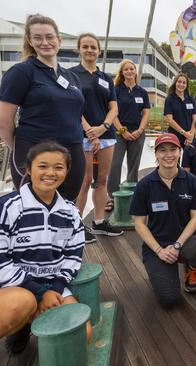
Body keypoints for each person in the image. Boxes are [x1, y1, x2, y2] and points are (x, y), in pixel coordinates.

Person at [0, 142, 91, 365]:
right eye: (43, 166)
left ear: (67, 171)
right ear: (29, 169)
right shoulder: (5, 207)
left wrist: (54, 288)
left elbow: (72, 258)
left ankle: (22, 325)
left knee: (80, 334)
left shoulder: (70, 212)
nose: (50, 173)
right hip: (1, 289)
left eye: (58, 167)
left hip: (51, 288)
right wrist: (40, 292)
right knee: (22, 302)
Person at [0, 14, 85, 202]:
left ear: (58, 39)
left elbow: (76, 114)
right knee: (33, 210)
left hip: (72, 151)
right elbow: (2, 120)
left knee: (67, 206)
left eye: (49, 37)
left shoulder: (71, 77)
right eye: (37, 37)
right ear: (30, 41)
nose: (45, 42)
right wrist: (20, 150)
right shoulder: (21, 72)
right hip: (36, 151)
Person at [130, 133, 196, 308]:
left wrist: (177, 246)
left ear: (180, 152)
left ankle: (190, 268)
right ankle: (164, 270)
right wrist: (159, 250)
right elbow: (139, 223)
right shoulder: (145, 185)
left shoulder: (191, 181)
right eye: (163, 150)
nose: (168, 154)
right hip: (157, 246)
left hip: (184, 241)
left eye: (173, 149)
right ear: (156, 155)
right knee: (169, 300)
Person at [70, 33, 122, 243]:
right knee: (84, 181)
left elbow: (114, 107)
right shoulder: (72, 75)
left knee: (102, 180)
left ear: (99, 51)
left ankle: (99, 222)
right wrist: (89, 130)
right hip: (81, 135)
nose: (90, 50)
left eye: (94, 47)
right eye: (86, 46)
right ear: (79, 49)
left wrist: (104, 127)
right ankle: (76, 226)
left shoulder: (106, 78)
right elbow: (72, 104)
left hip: (106, 135)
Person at [107, 59, 151, 209]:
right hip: (119, 133)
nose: (129, 71)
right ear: (122, 72)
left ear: (135, 72)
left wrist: (139, 130)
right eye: (126, 69)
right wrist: (122, 131)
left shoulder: (142, 92)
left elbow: (145, 114)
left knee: (134, 165)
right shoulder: (116, 90)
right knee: (115, 164)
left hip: (137, 133)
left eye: (132, 69)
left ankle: (132, 194)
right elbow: (112, 112)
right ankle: (112, 196)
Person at [164, 73, 196, 147]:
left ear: (186, 85)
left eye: (184, 83)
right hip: (175, 136)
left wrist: (191, 135)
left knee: (192, 158)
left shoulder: (190, 99)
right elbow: (169, 120)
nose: (181, 84)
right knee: (175, 158)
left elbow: (195, 119)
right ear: (175, 83)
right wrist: (185, 133)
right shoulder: (169, 99)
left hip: (190, 138)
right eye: (179, 82)